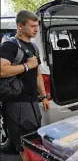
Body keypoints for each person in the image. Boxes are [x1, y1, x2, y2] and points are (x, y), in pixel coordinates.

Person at [0, 10, 50, 154]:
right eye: (32, 26)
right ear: (20, 26)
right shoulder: (9, 46)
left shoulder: (33, 47)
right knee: (24, 143)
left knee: (34, 137)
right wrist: (27, 66)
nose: (36, 29)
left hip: (33, 101)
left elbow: (38, 74)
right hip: (17, 102)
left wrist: (44, 96)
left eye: (37, 26)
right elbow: (2, 71)